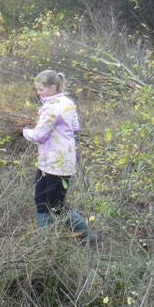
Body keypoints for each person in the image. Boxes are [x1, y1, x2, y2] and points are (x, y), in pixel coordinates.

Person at [22, 70, 96, 244]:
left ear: (52, 87)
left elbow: (39, 136)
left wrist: (24, 131)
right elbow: (75, 127)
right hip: (49, 162)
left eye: (41, 90)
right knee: (40, 200)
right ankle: (45, 242)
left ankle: (88, 237)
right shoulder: (67, 102)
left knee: (56, 205)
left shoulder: (52, 107)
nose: (38, 93)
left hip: (58, 164)